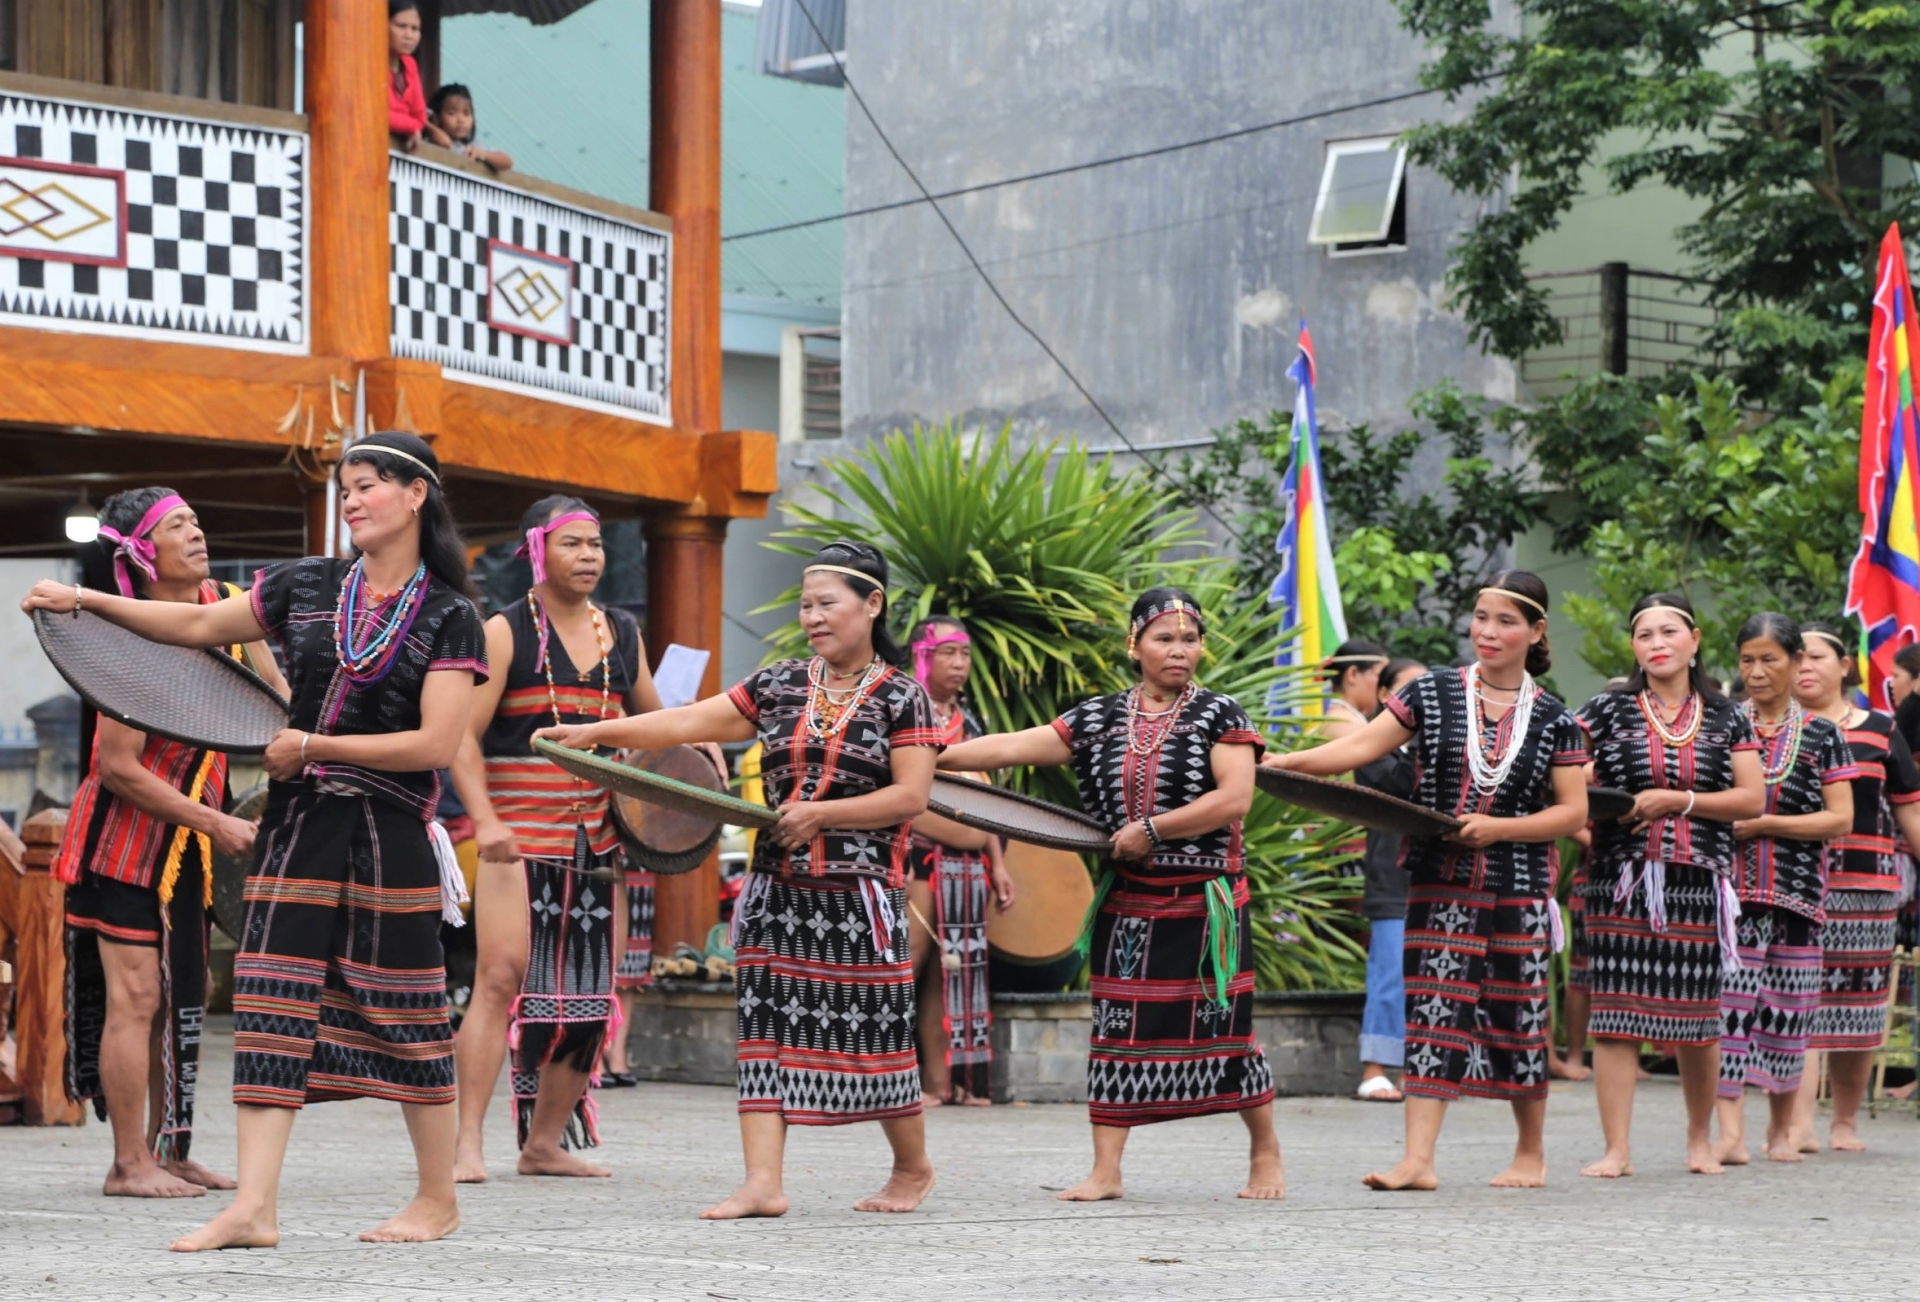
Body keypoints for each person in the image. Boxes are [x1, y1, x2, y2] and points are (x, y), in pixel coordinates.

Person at [25, 431, 487, 1250]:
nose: (350, 499)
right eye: (344, 486)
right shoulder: (308, 584)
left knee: (406, 1010)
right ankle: (254, 1210)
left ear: (416, 495)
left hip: (388, 831)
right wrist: (88, 603)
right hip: (299, 823)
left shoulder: (452, 616)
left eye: (369, 484)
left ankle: (437, 1197)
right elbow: (193, 628)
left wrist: (314, 747)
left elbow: (435, 744)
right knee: (272, 1004)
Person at [534, 540, 940, 1219]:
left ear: (872, 604)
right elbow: (692, 720)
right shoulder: (779, 682)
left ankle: (913, 1166)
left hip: (859, 895)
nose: (813, 616)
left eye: (827, 604)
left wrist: (823, 814)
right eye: (806, 605)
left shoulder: (904, 696)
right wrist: (604, 733)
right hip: (777, 889)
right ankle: (763, 1184)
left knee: (873, 1035)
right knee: (765, 1034)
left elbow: (910, 797)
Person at [940, 588, 1283, 1203]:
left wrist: (1152, 829)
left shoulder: (1221, 715)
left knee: (1227, 1030)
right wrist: (923, 758)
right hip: (1130, 902)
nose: (1180, 651)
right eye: (1164, 638)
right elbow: (1014, 745)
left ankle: (1264, 1153)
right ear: (1134, 645)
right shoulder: (1097, 718)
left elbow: (1234, 799)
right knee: (1115, 1027)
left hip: (1208, 904)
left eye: (1190, 639)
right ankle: (1106, 1171)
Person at [1269, 574, 1590, 1189]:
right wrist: (1283, 764)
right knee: (1433, 1009)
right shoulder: (1435, 692)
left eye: (1505, 621)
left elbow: (1572, 812)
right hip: (1440, 878)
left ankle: (1530, 1154)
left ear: (1536, 632)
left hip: (1518, 883)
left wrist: (1501, 830)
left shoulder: (1556, 719)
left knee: (1518, 1014)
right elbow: (1360, 748)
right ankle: (1417, 1161)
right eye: (1481, 617)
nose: (1488, 632)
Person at [57, 488, 286, 1200]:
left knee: (188, 991)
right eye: (176, 525)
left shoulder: (227, 605)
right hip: (121, 842)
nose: (196, 531)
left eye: (196, 518)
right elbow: (115, 767)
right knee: (136, 995)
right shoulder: (128, 635)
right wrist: (217, 822)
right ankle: (129, 1163)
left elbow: (276, 706)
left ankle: (174, 1147)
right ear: (141, 552)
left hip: (184, 842)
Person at [448, 497, 673, 1182]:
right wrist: (485, 822)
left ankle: (543, 1144)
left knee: (587, 996)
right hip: (517, 842)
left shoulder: (623, 634)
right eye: (573, 543)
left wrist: (695, 753)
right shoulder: (504, 631)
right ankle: (465, 1145)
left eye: (597, 544)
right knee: (498, 980)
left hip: (599, 845)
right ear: (538, 551)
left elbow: (656, 725)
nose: (590, 556)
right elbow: (460, 736)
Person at [1573, 593, 1764, 1178]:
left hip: (1697, 881)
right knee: (1615, 1015)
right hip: (1620, 879)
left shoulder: (1729, 714)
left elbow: (1751, 798)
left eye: (1668, 632)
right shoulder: (1606, 708)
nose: (1656, 644)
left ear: (1695, 639)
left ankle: (1700, 1142)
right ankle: (1617, 1150)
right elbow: (1569, 780)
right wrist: (1589, 812)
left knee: (1698, 1018)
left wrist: (1679, 800)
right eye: (1644, 635)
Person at [1712, 614, 1854, 1165]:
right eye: (1747, 659)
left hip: (1797, 895)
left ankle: (1778, 1131)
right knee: (1727, 1010)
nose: (1757, 671)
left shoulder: (1824, 735)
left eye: (1770, 659)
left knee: (1788, 1012)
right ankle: (1730, 1134)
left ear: (1797, 663)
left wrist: (1766, 824)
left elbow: (1839, 819)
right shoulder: (1723, 723)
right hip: (1729, 896)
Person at [1786, 622, 1920, 1151]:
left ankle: (1844, 1121)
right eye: (1795, 658)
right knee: (1798, 998)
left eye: (1815, 656)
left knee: (1858, 1007)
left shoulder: (1883, 730)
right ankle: (1797, 1122)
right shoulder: (1772, 728)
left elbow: (1909, 813)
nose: (1804, 667)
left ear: (1845, 666)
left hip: (1866, 886)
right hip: (1792, 880)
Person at [903, 616, 1014, 1107]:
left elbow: (986, 800)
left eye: (964, 654)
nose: (959, 663)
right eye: (948, 652)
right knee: (912, 965)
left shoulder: (971, 723)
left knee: (956, 973)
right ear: (922, 655)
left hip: (968, 863)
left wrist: (999, 864)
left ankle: (946, 1083)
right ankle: (892, 1078)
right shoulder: (904, 710)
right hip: (918, 857)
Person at [1352, 656, 1426, 1102]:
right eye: (1411, 687)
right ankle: (1375, 1068)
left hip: (1434, 874)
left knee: (1430, 977)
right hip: (1390, 878)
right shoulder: (1372, 746)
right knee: (1389, 974)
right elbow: (1401, 788)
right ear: (1385, 696)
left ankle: (1419, 1070)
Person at [388, 2, 449, 153]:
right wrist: (411, 127)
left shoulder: (410, 65)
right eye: (401, 26)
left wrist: (411, 126)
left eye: (415, 29)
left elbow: (420, 117)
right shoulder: (367, 64)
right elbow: (375, 114)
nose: (409, 35)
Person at [428, 83, 513, 172]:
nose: (461, 120)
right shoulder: (432, 141)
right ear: (437, 117)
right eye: (451, 113)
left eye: (466, 114)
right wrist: (428, 125)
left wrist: (483, 155)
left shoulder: (472, 146)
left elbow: (507, 162)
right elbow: (445, 143)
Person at [1315, 639, 1389, 740]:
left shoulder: (1338, 719)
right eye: (1381, 676)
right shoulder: (1347, 724)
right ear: (1352, 674)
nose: (1384, 685)